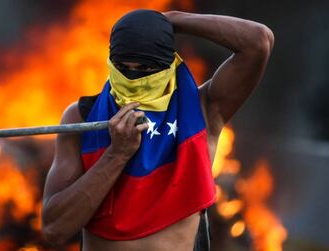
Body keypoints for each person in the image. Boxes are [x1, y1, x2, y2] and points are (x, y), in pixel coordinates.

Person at [42, 10, 274, 251]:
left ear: (168, 67)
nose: (133, 80)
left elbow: (258, 41)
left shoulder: (203, 110)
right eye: (123, 68)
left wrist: (173, 20)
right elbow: (54, 229)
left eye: (144, 70)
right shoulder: (82, 117)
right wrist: (116, 155)